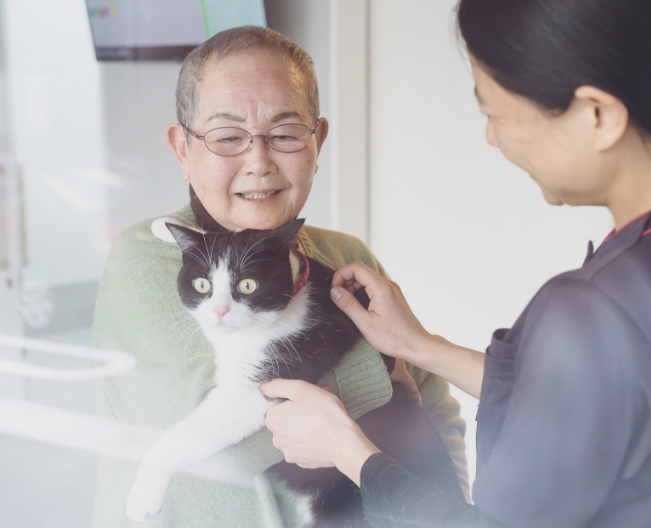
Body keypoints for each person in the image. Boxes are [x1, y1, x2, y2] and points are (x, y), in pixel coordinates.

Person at [260, 1, 651, 526]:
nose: (492, 137)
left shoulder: (601, 306)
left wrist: (346, 449)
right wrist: (419, 346)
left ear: (599, 114)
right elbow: (608, 410)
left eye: (495, 111)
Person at [91, 26, 467, 527]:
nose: (259, 163)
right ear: (183, 149)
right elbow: (231, 444)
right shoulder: (143, 260)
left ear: (317, 143)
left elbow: (435, 411)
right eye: (228, 137)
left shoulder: (346, 255)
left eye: (286, 135)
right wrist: (382, 375)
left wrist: (454, 511)